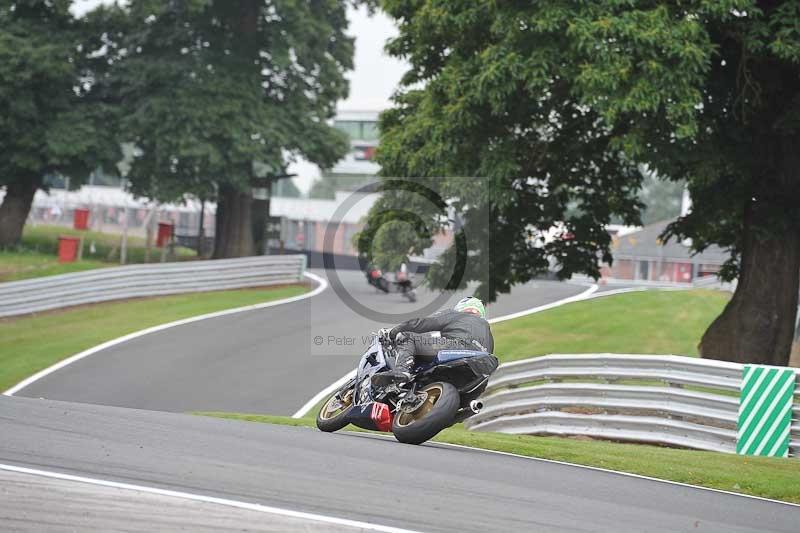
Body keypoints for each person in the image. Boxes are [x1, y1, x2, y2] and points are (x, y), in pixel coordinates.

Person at [373, 296, 494, 386]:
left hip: (455, 349)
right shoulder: (488, 331)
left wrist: (393, 332)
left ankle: (402, 371)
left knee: (409, 337)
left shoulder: (456, 315)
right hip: (480, 372)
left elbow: (422, 324)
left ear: (461, 307)